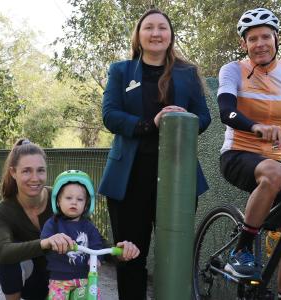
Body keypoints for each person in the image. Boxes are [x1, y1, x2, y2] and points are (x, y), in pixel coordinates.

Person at [98, 8, 211, 300]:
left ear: (170, 35)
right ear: (138, 35)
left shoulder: (187, 73)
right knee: (131, 254)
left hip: (178, 176)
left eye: (162, 28)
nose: (156, 33)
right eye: (149, 27)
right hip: (130, 177)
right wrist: (151, 123)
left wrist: (181, 118)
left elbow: (204, 117)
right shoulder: (120, 70)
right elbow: (110, 116)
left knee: (175, 254)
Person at [217, 7, 281, 298]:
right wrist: (256, 127)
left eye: (266, 36)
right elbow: (226, 112)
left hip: (272, 163)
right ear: (244, 44)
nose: (260, 43)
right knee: (277, 172)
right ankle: (241, 250)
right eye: (252, 39)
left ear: (276, 38)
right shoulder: (232, 70)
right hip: (237, 155)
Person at [0, 139, 139, 300]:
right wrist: (46, 242)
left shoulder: (66, 198)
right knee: (6, 258)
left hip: (71, 278)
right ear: (13, 172)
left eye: (40, 170)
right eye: (26, 171)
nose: (35, 178)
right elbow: (3, 251)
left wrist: (119, 252)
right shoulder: (1, 212)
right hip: (36, 282)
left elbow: (93, 239)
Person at [41, 170, 140, 299]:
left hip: (84, 278)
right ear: (58, 201)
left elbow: (97, 245)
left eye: (80, 199)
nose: (74, 202)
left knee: (93, 295)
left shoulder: (89, 226)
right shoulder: (53, 223)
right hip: (60, 279)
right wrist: (51, 242)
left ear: (86, 204)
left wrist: (97, 259)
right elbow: (43, 242)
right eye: (68, 198)